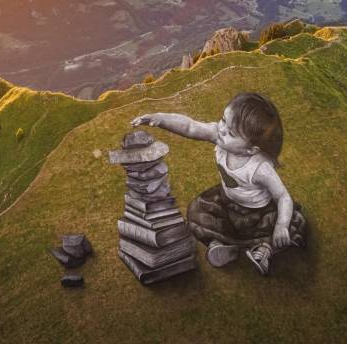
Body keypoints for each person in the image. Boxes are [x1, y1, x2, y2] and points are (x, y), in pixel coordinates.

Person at [131, 92, 306, 275]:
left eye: (230, 132)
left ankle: (264, 250)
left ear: (250, 150)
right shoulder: (218, 136)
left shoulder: (260, 168)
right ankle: (220, 246)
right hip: (226, 201)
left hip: (258, 213)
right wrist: (160, 118)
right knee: (197, 211)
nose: (221, 129)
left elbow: (283, 196)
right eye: (223, 120)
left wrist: (281, 226)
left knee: (293, 225)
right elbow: (190, 126)